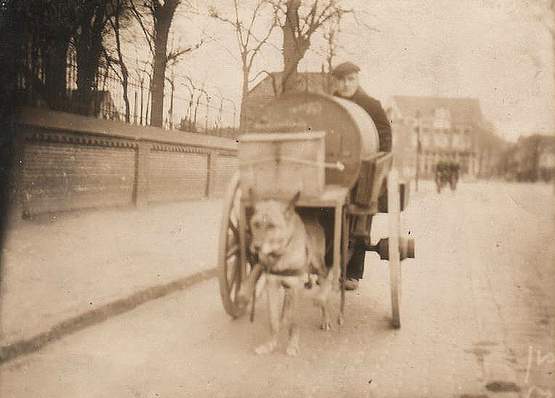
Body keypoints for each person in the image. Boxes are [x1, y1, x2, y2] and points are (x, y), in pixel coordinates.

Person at [331, 61, 392, 290]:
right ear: (335, 82)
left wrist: (378, 162)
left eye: (350, 80)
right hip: (334, 168)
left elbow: (385, 134)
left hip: (362, 169)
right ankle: (326, 265)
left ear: (357, 80)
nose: (345, 84)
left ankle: (353, 273)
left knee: (361, 218)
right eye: (341, 80)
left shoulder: (371, 105)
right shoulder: (330, 104)